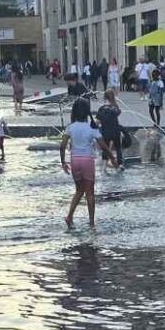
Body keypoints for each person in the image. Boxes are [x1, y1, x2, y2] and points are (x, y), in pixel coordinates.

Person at [60, 98, 116, 230]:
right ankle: (91, 225)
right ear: (87, 112)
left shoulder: (70, 128)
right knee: (90, 193)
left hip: (75, 161)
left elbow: (62, 146)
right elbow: (103, 146)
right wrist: (112, 158)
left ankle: (69, 217)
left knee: (79, 190)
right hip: (87, 161)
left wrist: (63, 162)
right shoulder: (92, 128)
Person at [96, 89, 124, 167]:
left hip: (106, 132)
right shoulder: (115, 108)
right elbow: (118, 112)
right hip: (116, 131)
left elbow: (97, 122)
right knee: (118, 148)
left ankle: (104, 167)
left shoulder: (102, 109)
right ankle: (120, 165)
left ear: (105, 97)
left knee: (106, 148)